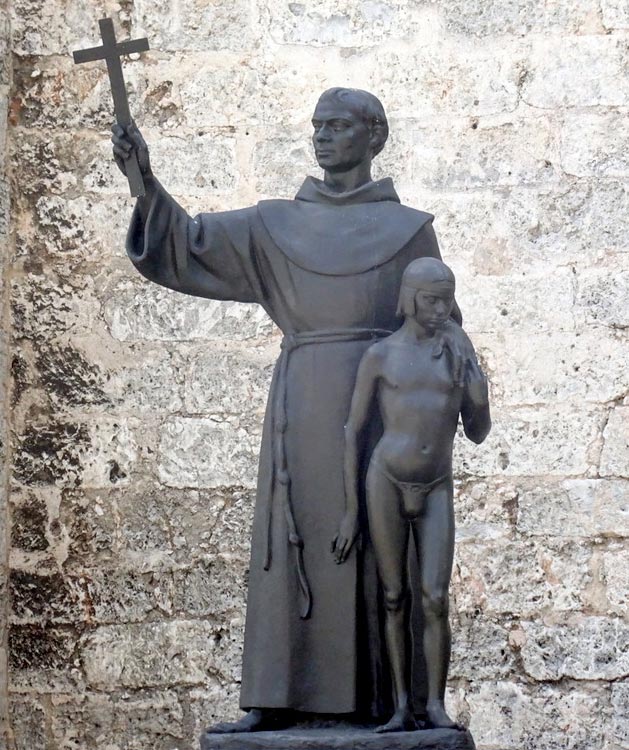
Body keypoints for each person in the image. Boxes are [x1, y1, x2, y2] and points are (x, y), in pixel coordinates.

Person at [111, 87, 475, 731]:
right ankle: (276, 698)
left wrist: (455, 403)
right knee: (294, 540)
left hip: (381, 412)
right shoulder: (272, 223)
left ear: (375, 136)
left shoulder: (409, 229)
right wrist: (143, 179)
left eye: (338, 126)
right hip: (302, 402)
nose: (323, 137)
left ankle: (388, 705)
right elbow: (187, 242)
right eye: (317, 126)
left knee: (375, 552)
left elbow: (443, 325)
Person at [334, 257, 491, 733]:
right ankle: (401, 704)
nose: (441, 309)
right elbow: (353, 432)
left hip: (436, 482)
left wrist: (476, 386)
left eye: (447, 299)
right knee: (394, 595)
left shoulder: (456, 349)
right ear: (409, 299)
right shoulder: (381, 355)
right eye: (431, 300)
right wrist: (349, 511)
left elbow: (478, 432)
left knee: (435, 596)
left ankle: (434, 703)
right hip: (386, 477)